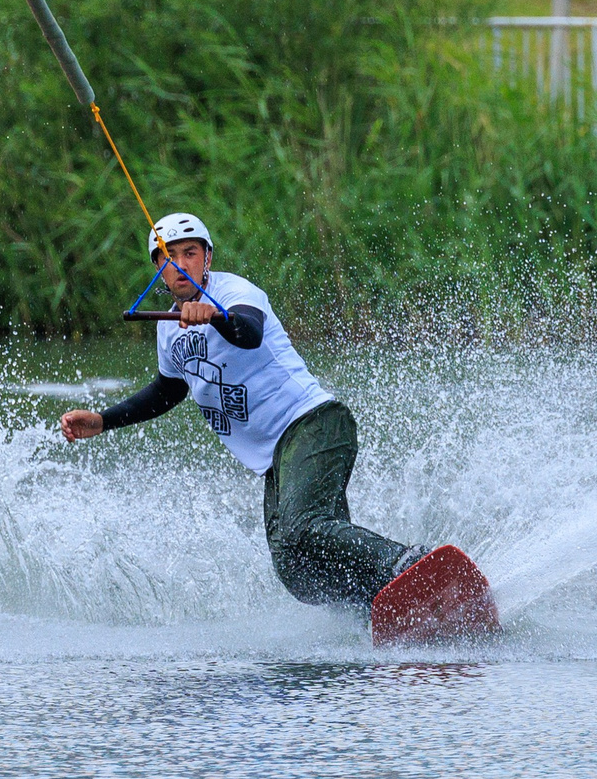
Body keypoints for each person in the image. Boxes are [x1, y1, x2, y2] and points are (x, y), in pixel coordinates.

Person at [59, 213, 424, 613]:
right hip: (274, 459)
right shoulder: (167, 328)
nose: (180, 264)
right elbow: (169, 389)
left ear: (208, 257)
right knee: (294, 568)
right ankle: (380, 603)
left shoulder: (235, 293)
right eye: (168, 257)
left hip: (313, 424)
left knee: (305, 528)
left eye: (190, 253)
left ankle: (409, 563)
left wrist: (214, 317)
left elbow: (248, 332)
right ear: (157, 268)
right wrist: (104, 420)